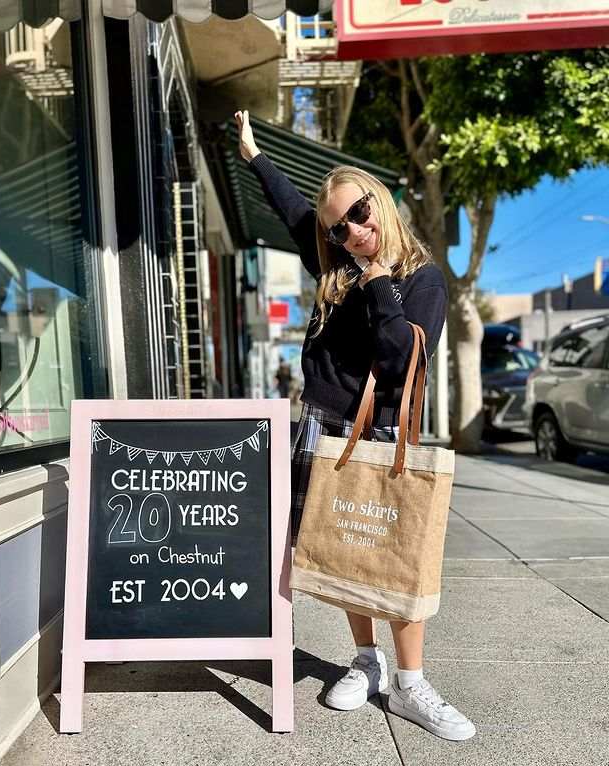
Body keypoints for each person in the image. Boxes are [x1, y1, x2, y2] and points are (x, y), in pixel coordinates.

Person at [235, 110, 475, 742]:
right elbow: (293, 212)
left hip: (381, 434)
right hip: (322, 430)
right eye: (340, 229)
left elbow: (402, 362)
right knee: (345, 550)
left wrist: (375, 286)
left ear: (383, 202)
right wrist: (256, 156)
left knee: (395, 557)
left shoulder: (420, 278)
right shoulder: (334, 269)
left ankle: (411, 681)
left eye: (360, 214)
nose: (353, 232)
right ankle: (366, 662)